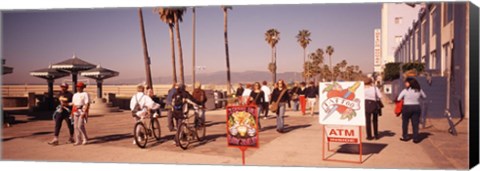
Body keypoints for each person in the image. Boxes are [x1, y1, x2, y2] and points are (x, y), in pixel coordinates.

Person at [397, 77, 427, 143]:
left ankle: (405, 136)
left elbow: (399, 98)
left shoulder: (405, 91)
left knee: (405, 122)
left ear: (410, 83)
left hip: (406, 107)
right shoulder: (419, 90)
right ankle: (415, 138)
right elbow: (424, 96)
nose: (405, 83)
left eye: (406, 82)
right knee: (415, 123)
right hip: (416, 107)